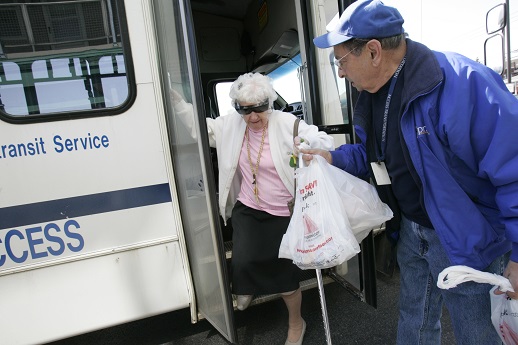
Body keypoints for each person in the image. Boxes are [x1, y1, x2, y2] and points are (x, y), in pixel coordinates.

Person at [300, 0, 518, 344]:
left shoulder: (461, 83)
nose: (340, 71)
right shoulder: (371, 95)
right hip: (412, 230)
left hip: (467, 238)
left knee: (476, 330)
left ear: (373, 51)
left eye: (341, 60)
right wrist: (331, 157)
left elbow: (514, 170)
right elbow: (377, 157)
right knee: (414, 318)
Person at [172, 72, 334, 345]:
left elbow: (322, 140)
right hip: (248, 207)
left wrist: (308, 146)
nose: (253, 116)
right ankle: (246, 287)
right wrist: (177, 103)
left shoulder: (287, 124)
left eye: (260, 108)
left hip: (284, 212)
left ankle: (296, 322)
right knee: (243, 260)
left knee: (285, 279)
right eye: (245, 110)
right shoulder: (233, 125)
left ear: (269, 103)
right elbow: (202, 129)